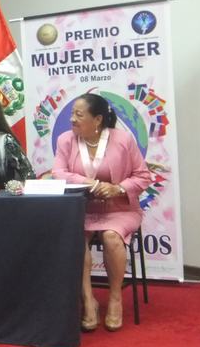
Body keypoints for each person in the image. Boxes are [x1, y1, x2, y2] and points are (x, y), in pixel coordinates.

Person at [52, 92, 151, 332]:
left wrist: (118, 188)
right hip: (82, 209)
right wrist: (90, 183)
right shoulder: (66, 140)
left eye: (79, 115)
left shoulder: (123, 139)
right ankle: (89, 300)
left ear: (97, 119)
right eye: (72, 114)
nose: (72, 119)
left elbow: (143, 176)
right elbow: (59, 173)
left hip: (120, 209)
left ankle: (115, 298)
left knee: (111, 236)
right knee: (75, 238)